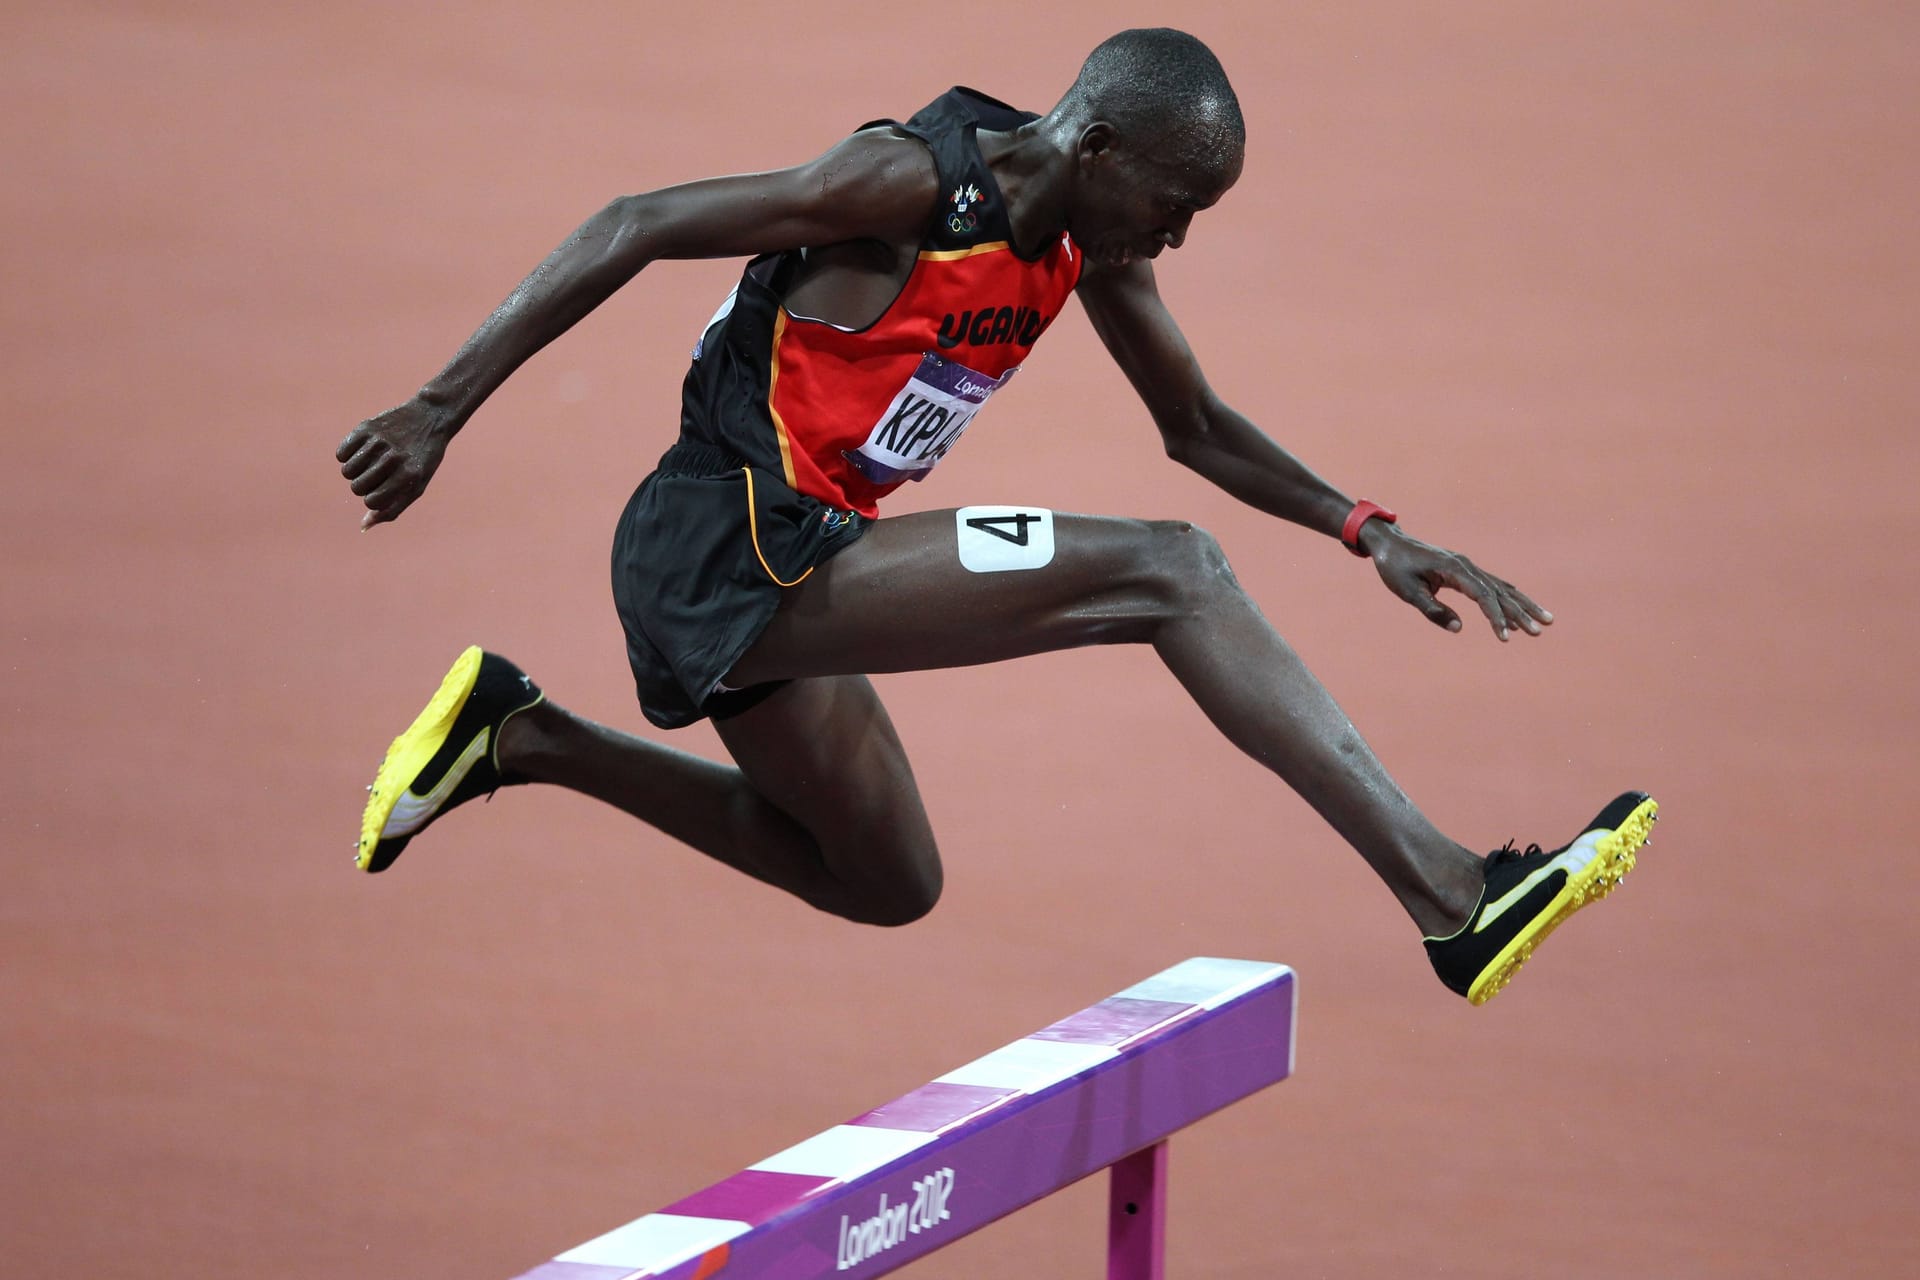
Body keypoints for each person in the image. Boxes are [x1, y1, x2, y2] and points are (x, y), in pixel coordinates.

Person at [336, 28, 1654, 1005]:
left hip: (804, 555)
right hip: (720, 541)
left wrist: (1366, 526)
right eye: (1178, 206)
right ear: (1096, 148)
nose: (1179, 240)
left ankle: (521, 736)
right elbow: (636, 221)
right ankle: (1456, 896)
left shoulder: (1092, 244)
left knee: (886, 880)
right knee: (1174, 575)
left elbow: (1195, 427)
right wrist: (436, 409)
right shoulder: (904, 186)